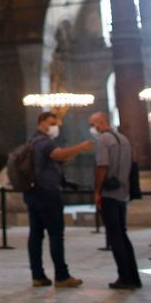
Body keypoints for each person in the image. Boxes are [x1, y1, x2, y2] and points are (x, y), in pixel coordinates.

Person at [22, 111, 92, 289]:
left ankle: (38, 276)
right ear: (42, 122)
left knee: (36, 235)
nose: (55, 127)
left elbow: (54, 159)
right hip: (47, 194)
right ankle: (62, 275)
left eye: (56, 124)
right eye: (52, 123)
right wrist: (82, 147)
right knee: (55, 235)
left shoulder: (32, 140)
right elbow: (58, 154)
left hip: (33, 193)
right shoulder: (43, 142)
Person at [89, 111, 140, 291]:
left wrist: (97, 191)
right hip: (122, 193)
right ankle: (133, 277)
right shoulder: (123, 139)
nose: (92, 128)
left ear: (102, 123)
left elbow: (102, 166)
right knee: (122, 234)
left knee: (115, 236)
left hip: (109, 193)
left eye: (94, 124)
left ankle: (125, 278)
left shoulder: (103, 140)